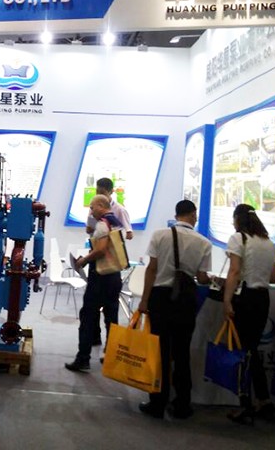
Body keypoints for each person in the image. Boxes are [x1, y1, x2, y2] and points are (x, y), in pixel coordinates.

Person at [137, 199, 211, 419]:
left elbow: (152, 269)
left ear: (176, 214)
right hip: (186, 300)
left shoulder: (160, 235)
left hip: (161, 297)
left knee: (160, 351)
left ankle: (157, 402)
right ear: (193, 215)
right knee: (181, 351)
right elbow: (202, 278)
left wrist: (144, 300)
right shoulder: (204, 243)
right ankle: (182, 404)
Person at [222, 204, 275, 425]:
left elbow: (234, 271)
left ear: (238, 219)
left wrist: (227, 300)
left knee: (243, 351)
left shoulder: (238, 238)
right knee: (252, 349)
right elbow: (274, 277)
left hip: (245, 298)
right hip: (262, 298)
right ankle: (263, 400)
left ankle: (245, 404)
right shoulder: (268, 243)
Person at [64, 195, 124, 373]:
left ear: (101, 205)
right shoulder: (115, 222)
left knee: (88, 316)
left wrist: (84, 260)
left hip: (100, 277)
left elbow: (101, 250)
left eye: (92, 207)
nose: (90, 211)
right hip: (114, 275)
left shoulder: (103, 224)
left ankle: (83, 358)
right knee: (111, 317)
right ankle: (111, 356)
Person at [85, 177, 134, 346]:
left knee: (110, 307)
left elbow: (129, 233)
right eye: (97, 192)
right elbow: (88, 230)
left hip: (110, 264)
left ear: (110, 192)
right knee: (92, 305)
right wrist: (94, 222)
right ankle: (95, 337)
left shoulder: (119, 210)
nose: (100, 195)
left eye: (103, 192)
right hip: (96, 263)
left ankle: (111, 345)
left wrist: (109, 230)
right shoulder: (93, 211)